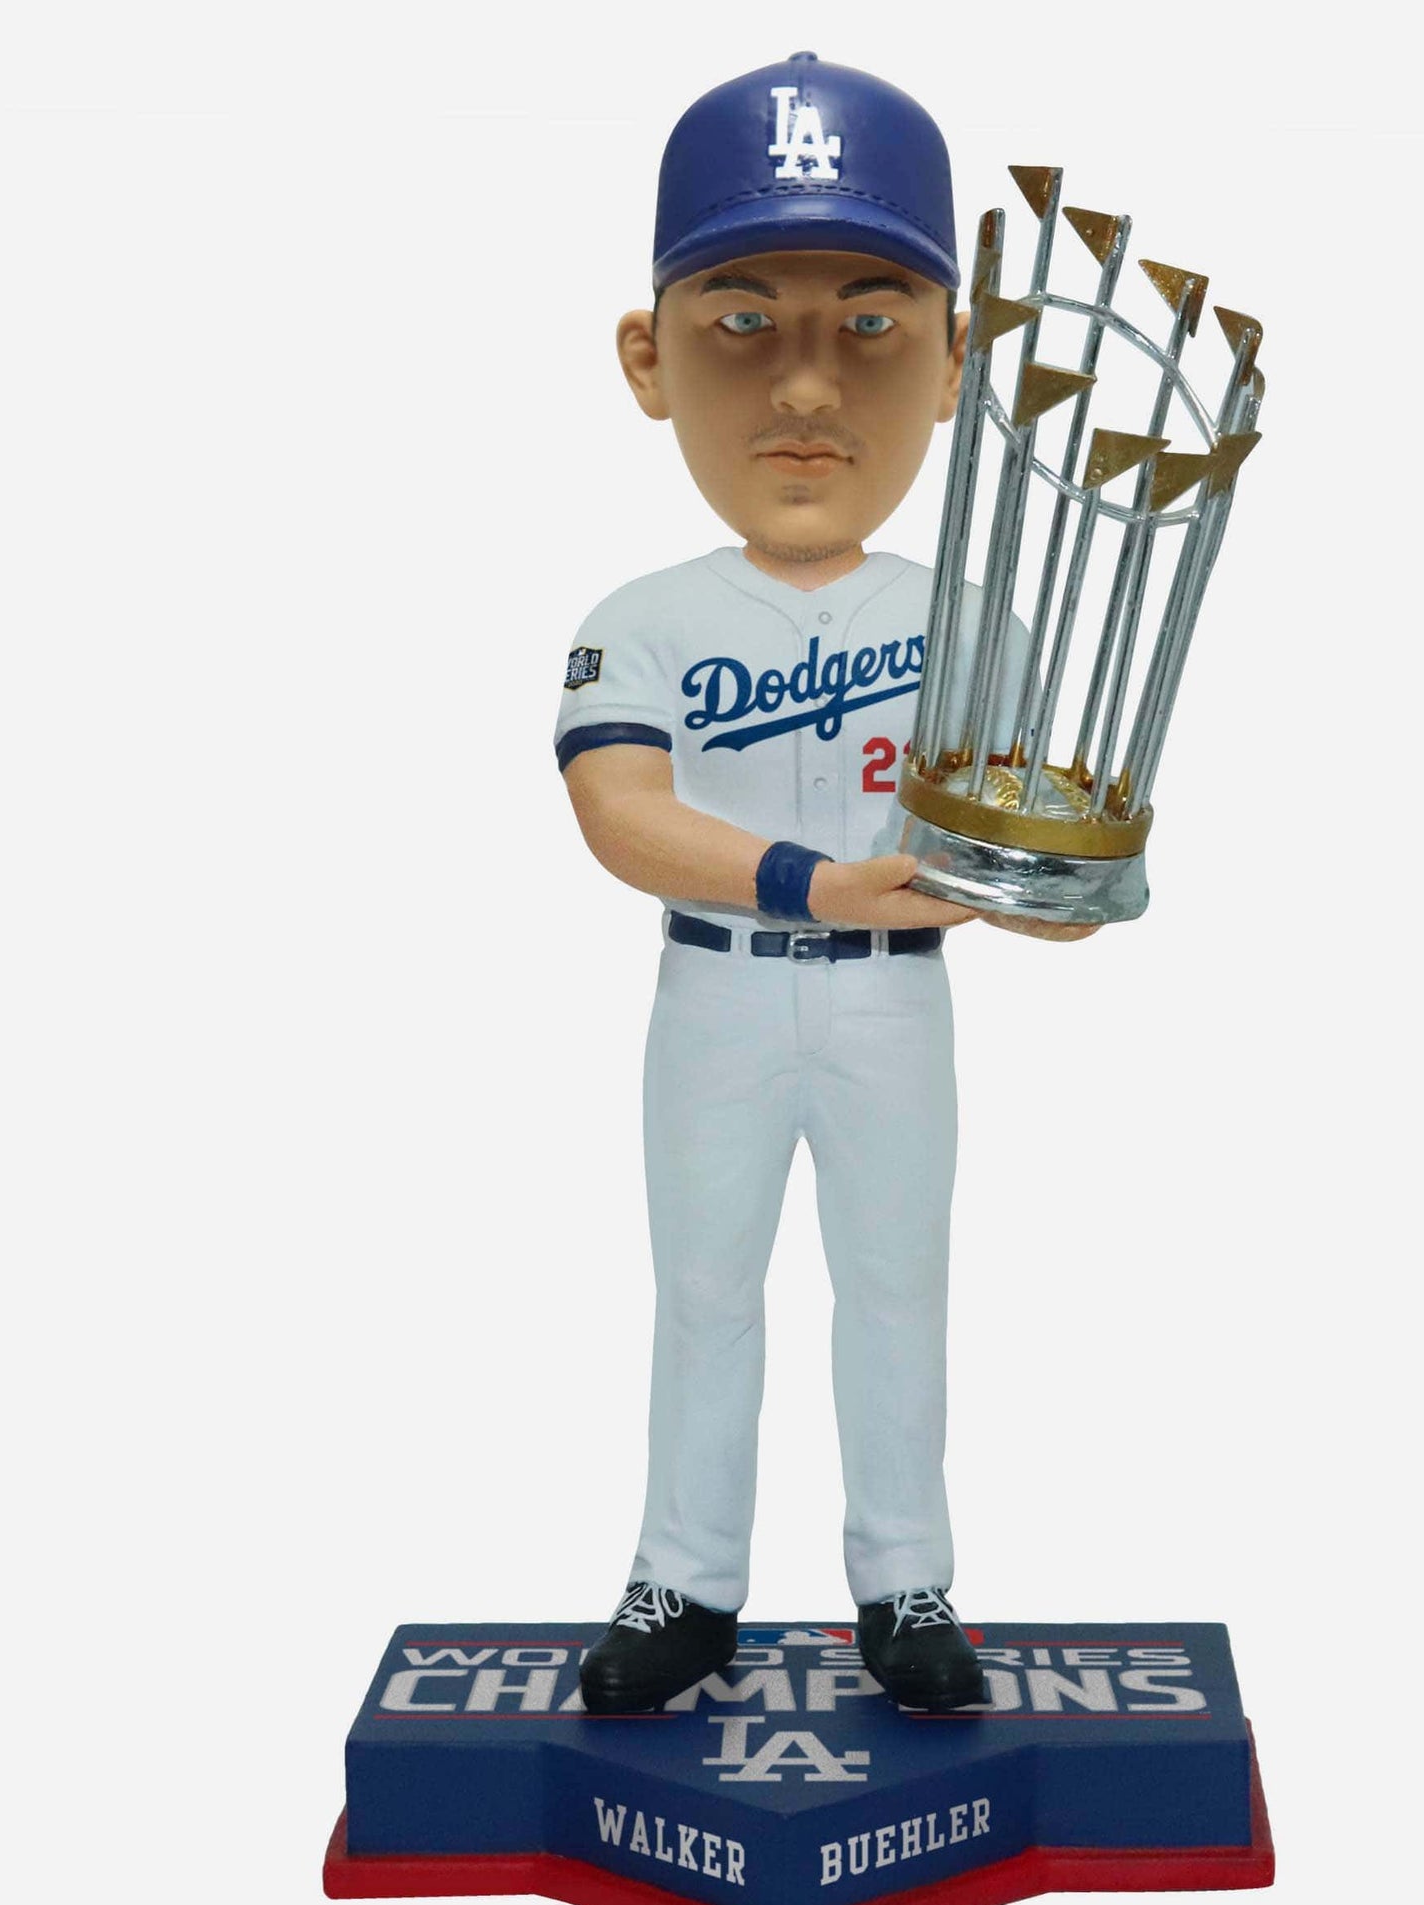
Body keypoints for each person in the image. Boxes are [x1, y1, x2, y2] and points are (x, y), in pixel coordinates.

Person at [555, 53, 1082, 1716]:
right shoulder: (642, 617)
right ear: (649, 357)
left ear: (954, 367)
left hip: (893, 1007)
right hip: (714, 988)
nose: (806, 386)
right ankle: (685, 1584)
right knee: (704, 1290)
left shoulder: (972, 616)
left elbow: (1008, 843)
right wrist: (814, 881)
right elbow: (620, 811)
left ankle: (906, 1582)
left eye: (869, 324)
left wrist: (1052, 884)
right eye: (740, 321)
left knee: (896, 1291)